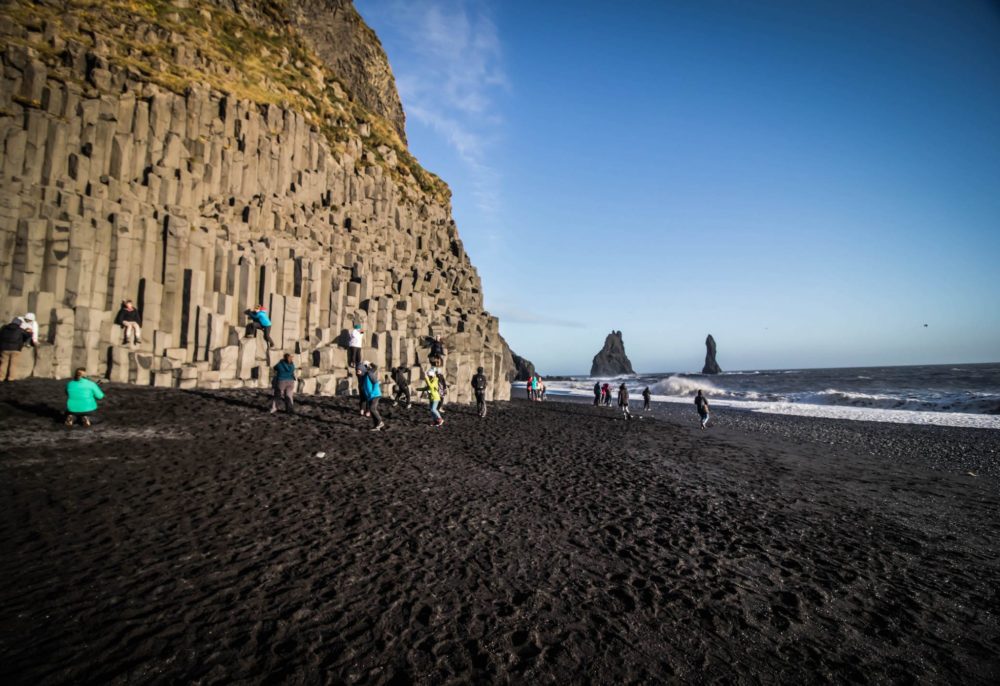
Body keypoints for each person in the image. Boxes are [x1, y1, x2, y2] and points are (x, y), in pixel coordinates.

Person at [0, 317, 33, 382]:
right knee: (13, 364)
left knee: (3, 363)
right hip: (15, 349)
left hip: (4, 348)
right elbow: (27, 335)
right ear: (19, 324)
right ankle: (11, 378)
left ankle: (1, 377)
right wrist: (29, 332)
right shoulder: (20, 330)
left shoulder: (4, 328)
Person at [362, 362, 385, 431]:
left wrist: (372, 393)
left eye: (363, 367)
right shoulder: (366, 374)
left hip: (375, 395)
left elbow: (375, 383)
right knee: (372, 410)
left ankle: (380, 422)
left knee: (372, 409)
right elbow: (375, 367)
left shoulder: (369, 373)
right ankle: (376, 426)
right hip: (371, 396)